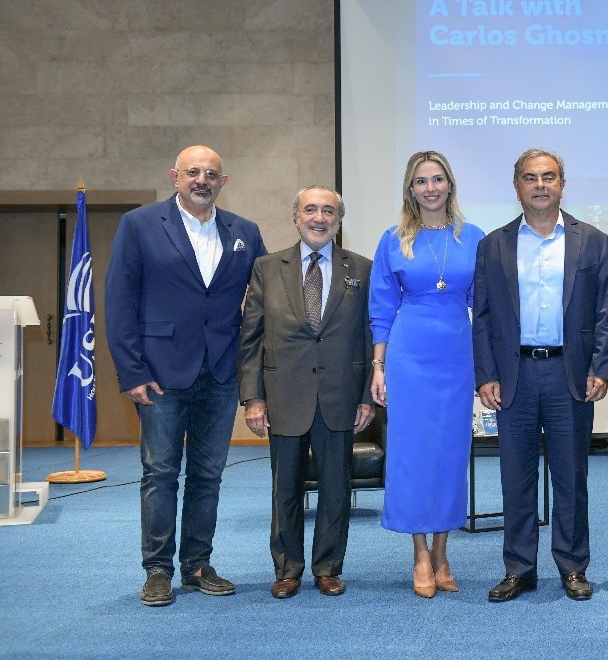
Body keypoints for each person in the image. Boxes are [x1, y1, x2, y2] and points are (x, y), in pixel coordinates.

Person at [105, 144, 267, 607]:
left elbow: (264, 300)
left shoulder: (245, 232)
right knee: (160, 472)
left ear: (223, 182)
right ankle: (157, 570)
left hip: (221, 372)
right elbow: (120, 301)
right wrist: (131, 371)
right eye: (193, 172)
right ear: (175, 176)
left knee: (208, 474)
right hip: (159, 373)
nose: (202, 180)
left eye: (211, 174)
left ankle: (197, 565)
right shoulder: (139, 224)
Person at [473, 148, 608, 602]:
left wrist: (602, 367)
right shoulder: (493, 245)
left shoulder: (592, 240)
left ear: (562, 184)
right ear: (517, 186)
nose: (540, 185)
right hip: (512, 374)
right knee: (516, 478)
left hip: (568, 374)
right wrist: (486, 374)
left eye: (549, 177)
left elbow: (606, 311)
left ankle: (573, 567)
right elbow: (482, 316)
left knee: (571, 477)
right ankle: (519, 569)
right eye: (531, 177)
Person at [237, 186, 375, 599]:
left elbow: (370, 336)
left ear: (339, 220)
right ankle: (287, 569)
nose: (319, 218)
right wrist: (253, 397)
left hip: (340, 395)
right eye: (310, 209)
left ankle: (328, 568)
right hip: (283, 394)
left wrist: (366, 396)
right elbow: (251, 337)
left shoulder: (362, 268)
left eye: (328, 211)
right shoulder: (266, 268)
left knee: (336, 488)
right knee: (286, 488)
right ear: (295, 217)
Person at [369, 151, 485, 598]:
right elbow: (382, 308)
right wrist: (379, 367)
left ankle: (442, 552)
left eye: (438, 179)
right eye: (421, 181)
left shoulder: (473, 237)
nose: (430, 188)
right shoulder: (393, 239)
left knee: (450, 453)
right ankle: (420, 553)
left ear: (450, 184)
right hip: (409, 355)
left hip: (456, 354)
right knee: (413, 453)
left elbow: (484, 303)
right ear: (410, 189)